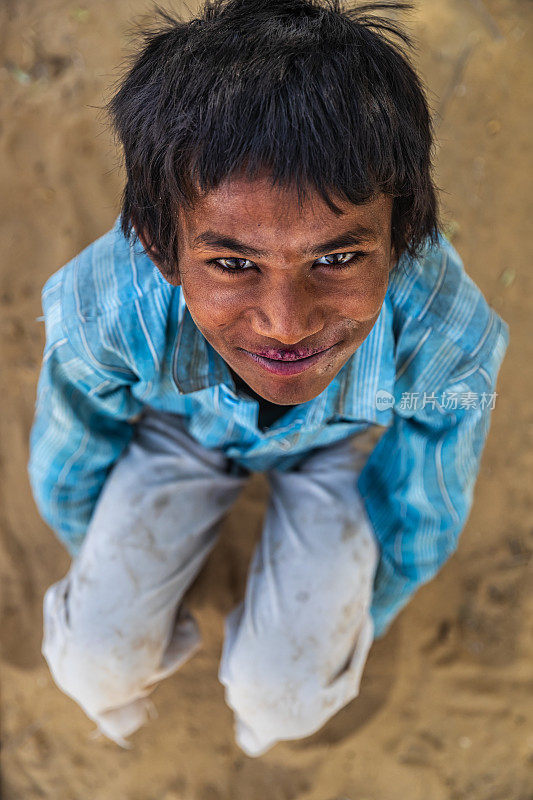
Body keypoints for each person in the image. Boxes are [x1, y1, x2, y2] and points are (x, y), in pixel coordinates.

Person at [27, 0, 509, 757]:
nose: (287, 324)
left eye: (337, 258)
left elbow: (420, 513)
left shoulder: (447, 338)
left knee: (283, 696)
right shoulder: (103, 313)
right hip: (176, 429)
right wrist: (114, 566)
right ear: (160, 246)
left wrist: (353, 617)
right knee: (95, 661)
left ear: (404, 232)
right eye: (232, 264)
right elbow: (71, 462)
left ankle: (263, 725)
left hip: (338, 445)